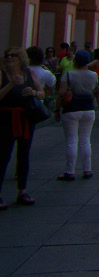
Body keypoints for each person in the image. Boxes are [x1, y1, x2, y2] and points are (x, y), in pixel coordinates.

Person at [0, 47, 45, 208]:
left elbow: (42, 93)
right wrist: (12, 83)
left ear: (21, 58)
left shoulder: (29, 73)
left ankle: (22, 191)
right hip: (6, 120)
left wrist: (33, 92)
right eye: (7, 55)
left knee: (23, 155)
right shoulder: (2, 74)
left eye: (13, 55)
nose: (9, 58)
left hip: (26, 119)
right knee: (3, 155)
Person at [57, 50, 98, 181]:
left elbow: (61, 93)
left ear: (75, 61)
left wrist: (56, 109)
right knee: (86, 139)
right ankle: (87, 170)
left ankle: (70, 171)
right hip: (88, 108)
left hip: (71, 109)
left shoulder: (68, 74)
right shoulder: (93, 75)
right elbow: (94, 89)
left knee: (71, 140)